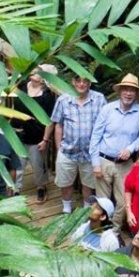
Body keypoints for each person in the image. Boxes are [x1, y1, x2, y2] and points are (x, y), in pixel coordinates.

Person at [89, 74, 139, 218]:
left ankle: (115, 231)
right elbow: (95, 136)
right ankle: (101, 230)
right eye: (125, 89)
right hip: (104, 161)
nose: (128, 93)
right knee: (103, 202)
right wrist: (95, 163)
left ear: (136, 94)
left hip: (125, 164)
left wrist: (130, 148)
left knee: (123, 201)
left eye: (132, 90)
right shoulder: (107, 109)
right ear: (120, 91)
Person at [47, 74, 104, 214]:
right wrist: (59, 148)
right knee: (65, 182)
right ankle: (66, 207)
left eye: (85, 81)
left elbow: (105, 123)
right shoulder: (63, 100)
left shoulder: (99, 99)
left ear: (90, 83)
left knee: (88, 183)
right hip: (67, 150)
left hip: (90, 152)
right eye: (78, 80)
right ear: (73, 81)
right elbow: (58, 125)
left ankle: (85, 209)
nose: (82, 84)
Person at [12, 71, 57, 202]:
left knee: (38, 164)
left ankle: (41, 187)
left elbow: (50, 120)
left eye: (39, 73)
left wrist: (45, 139)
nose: (35, 73)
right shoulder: (22, 86)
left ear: (44, 79)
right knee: (18, 163)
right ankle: (16, 188)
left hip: (36, 135)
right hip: (18, 132)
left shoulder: (47, 96)